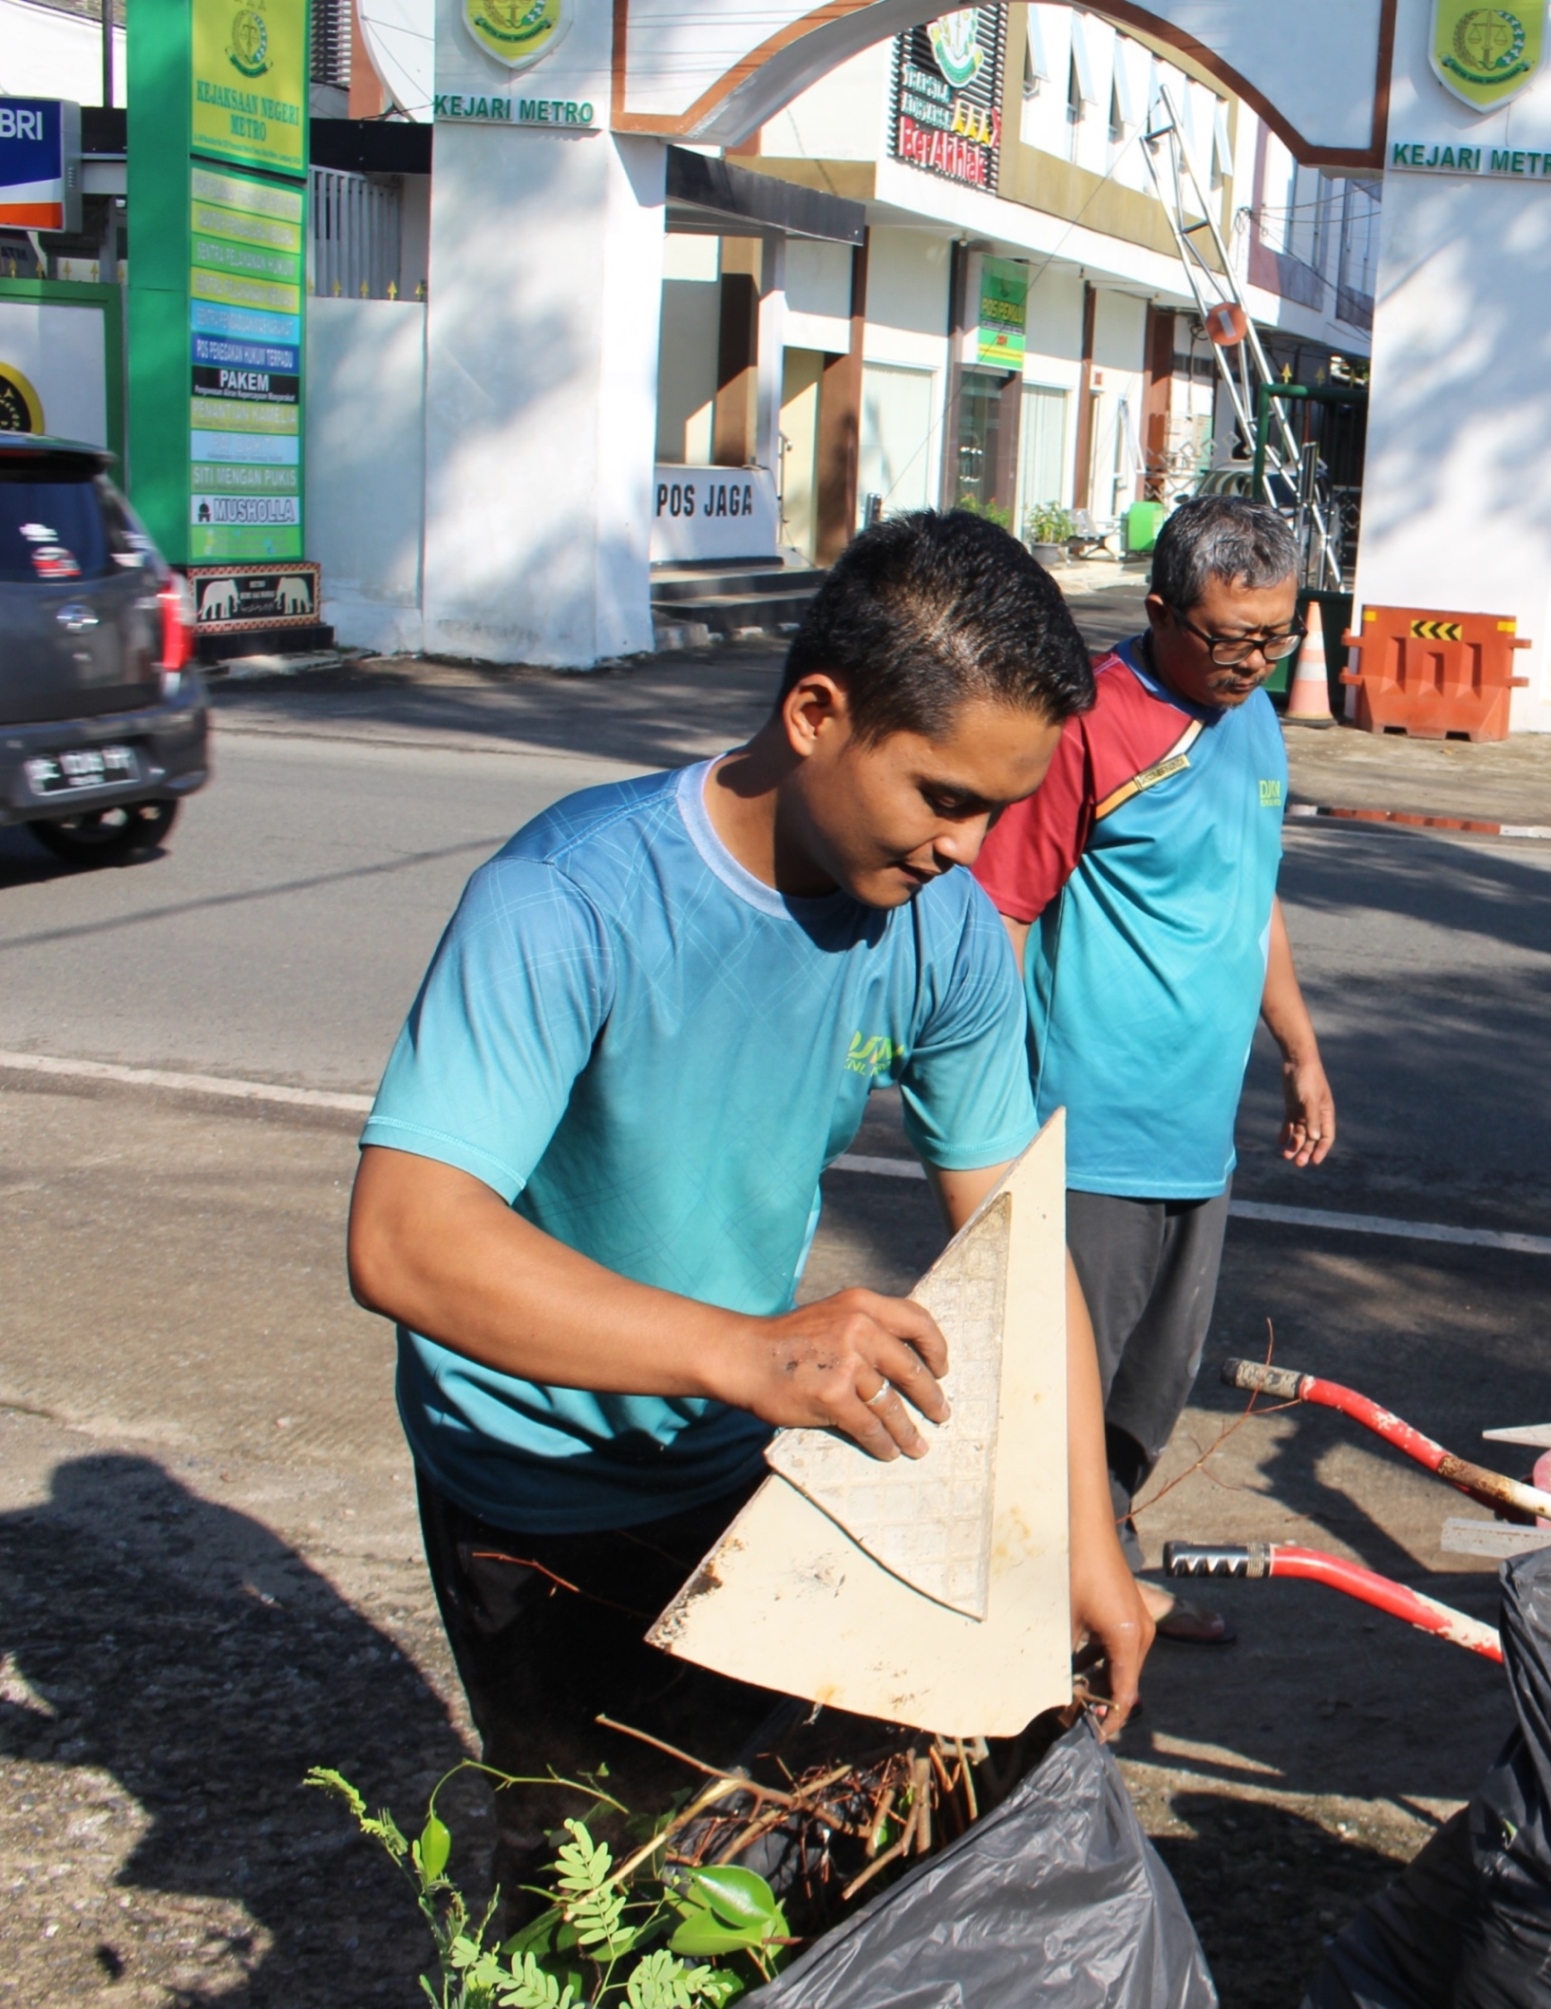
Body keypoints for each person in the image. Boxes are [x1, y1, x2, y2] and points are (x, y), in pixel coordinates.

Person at [346, 513, 1154, 1894]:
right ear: (817, 713)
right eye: (945, 797)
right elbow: (408, 1237)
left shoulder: (939, 927)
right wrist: (753, 1349)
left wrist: (1085, 1537)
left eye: (1001, 812)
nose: (971, 848)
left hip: (738, 1463)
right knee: (590, 1886)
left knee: (764, 1865)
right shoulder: (567, 900)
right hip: (534, 1482)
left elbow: (1020, 1248)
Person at [972, 496, 1335, 1644]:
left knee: (1148, 1387)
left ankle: (1102, 1578)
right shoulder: (1090, 725)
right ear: (1160, 607)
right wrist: (989, 1107)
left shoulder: (1256, 717)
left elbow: (1250, 891)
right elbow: (1005, 909)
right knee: (1054, 1389)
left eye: (1273, 636)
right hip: (1088, 1129)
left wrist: (1300, 1047)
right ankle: (1036, 1618)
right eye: (1228, 637)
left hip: (1194, 1131)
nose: (1251, 661)